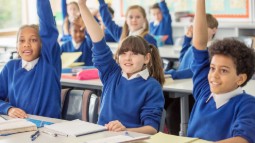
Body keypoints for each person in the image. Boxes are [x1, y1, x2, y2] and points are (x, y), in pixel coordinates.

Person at [78, 0, 165, 134]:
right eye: (123, 53)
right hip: (101, 137)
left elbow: (152, 129)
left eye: (134, 54)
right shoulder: (112, 74)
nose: (128, 58)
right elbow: (98, 41)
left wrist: (125, 130)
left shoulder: (152, 86)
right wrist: (82, 6)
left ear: (147, 58)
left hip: (131, 139)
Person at [188, 0, 255, 142]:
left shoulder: (247, 104)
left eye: (224, 71)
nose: (214, 76)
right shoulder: (204, 92)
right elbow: (199, 44)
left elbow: (242, 139)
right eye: (212, 68)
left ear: (240, 78)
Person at [0, 0, 61, 118]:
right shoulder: (10, 67)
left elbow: (48, 27)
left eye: (33, 40)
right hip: (20, 127)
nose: (26, 44)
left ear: (42, 44)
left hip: (48, 128)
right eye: (22, 41)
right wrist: (8, 109)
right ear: (17, 46)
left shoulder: (49, 63)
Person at [164, 14, 218, 135]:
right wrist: (187, 39)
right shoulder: (193, 46)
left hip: (194, 93)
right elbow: (183, 60)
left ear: (214, 30)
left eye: (203, 28)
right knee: (160, 101)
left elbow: (194, 70)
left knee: (173, 113)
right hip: (182, 86)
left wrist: (172, 74)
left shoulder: (211, 49)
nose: (198, 31)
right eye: (195, 27)